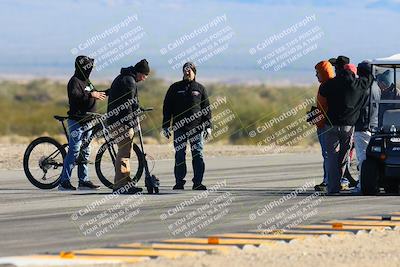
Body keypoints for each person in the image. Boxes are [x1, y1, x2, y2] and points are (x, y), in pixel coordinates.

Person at [319, 58, 373, 194]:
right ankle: (342, 180)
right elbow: (369, 79)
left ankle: (333, 187)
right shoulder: (359, 84)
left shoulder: (331, 84)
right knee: (343, 157)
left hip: (330, 125)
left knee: (331, 157)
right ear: (354, 73)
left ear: (341, 70)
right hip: (349, 126)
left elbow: (322, 91)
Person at [162, 62, 212, 190]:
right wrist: (166, 126)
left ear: (194, 72)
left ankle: (198, 183)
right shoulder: (174, 88)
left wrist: (208, 126)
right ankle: (179, 182)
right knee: (179, 154)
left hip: (197, 128)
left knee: (198, 154)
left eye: (189, 70)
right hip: (179, 128)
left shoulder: (200, 88)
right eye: (185, 70)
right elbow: (167, 108)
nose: (187, 72)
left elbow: (206, 109)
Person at [59, 56, 106, 191]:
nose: (90, 70)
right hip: (77, 121)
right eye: (88, 67)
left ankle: (83, 181)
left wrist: (111, 91)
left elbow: (96, 93)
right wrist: (91, 95)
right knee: (74, 150)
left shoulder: (87, 81)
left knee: (85, 151)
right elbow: (75, 97)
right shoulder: (74, 81)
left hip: (89, 121)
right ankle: (64, 182)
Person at [107, 59, 150, 194]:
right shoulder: (129, 81)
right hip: (121, 122)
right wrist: (132, 123)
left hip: (118, 121)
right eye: (144, 76)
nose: (144, 79)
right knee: (123, 153)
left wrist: (138, 107)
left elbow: (131, 102)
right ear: (139, 73)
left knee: (125, 152)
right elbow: (129, 104)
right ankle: (120, 185)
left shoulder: (124, 78)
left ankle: (125, 182)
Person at [352, 61, 380, 194]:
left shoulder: (364, 87)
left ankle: (362, 185)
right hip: (373, 125)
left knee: (362, 158)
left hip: (363, 126)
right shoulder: (376, 86)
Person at [313, 61, 335, 192]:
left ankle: (328, 181)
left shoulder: (325, 87)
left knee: (328, 154)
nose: (316, 76)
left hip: (325, 126)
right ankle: (332, 179)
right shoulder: (333, 84)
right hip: (330, 125)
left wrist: (319, 123)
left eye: (318, 73)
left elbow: (322, 109)